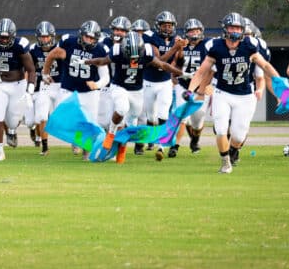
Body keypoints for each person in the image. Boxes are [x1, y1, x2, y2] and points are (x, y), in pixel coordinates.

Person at [188, 12, 282, 174]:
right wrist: (191, 91)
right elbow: (202, 72)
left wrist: (281, 84)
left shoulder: (249, 45)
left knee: (238, 136)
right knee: (221, 129)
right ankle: (225, 163)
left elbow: (265, 66)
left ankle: (232, 151)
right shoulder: (215, 46)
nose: (234, 31)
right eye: (231, 27)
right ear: (225, 28)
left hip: (245, 95)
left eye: (237, 27)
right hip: (222, 93)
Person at [86, 31, 181, 163]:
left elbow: (163, 65)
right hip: (119, 86)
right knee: (122, 109)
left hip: (137, 90)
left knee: (131, 121)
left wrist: (181, 73)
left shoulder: (147, 52)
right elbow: (102, 60)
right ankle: (111, 133)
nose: (133, 59)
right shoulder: (117, 50)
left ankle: (122, 149)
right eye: (130, 55)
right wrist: (87, 61)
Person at [43, 20, 109, 160]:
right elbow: (52, 55)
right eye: (87, 36)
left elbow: (106, 77)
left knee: (90, 123)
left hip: (89, 92)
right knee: (67, 119)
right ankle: (76, 139)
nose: (89, 40)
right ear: (81, 35)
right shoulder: (69, 42)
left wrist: (97, 85)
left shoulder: (100, 50)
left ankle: (86, 152)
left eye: (92, 38)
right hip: (68, 89)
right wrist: (45, 73)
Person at [0, 18, 36, 161]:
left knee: (12, 121)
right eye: (1, 37)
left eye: (6, 37)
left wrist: (30, 89)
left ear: (12, 35)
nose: (3, 40)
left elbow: (31, 69)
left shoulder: (20, 45)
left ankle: (12, 130)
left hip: (18, 85)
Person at [142, 11, 187, 157]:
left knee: (163, 113)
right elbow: (159, 61)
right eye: (164, 25)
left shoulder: (176, 39)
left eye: (170, 25)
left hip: (165, 82)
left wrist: (181, 49)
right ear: (158, 26)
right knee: (151, 116)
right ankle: (150, 137)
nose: (167, 28)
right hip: (149, 81)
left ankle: (161, 146)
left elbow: (180, 61)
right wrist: (175, 47)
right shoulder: (150, 38)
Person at [173, 18, 209, 155]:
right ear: (186, 33)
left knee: (197, 120)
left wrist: (209, 84)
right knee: (182, 115)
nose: (194, 33)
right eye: (191, 31)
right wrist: (180, 47)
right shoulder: (183, 44)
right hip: (183, 85)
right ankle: (175, 146)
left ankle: (195, 140)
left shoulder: (207, 45)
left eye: (197, 30)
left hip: (201, 87)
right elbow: (177, 63)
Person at [29, 21, 62, 156]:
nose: (45, 39)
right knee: (42, 115)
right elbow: (30, 68)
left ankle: (76, 143)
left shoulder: (59, 48)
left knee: (66, 117)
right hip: (45, 86)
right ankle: (44, 146)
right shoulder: (33, 50)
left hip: (60, 85)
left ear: (52, 37)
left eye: (47, 36)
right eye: (42, 37)